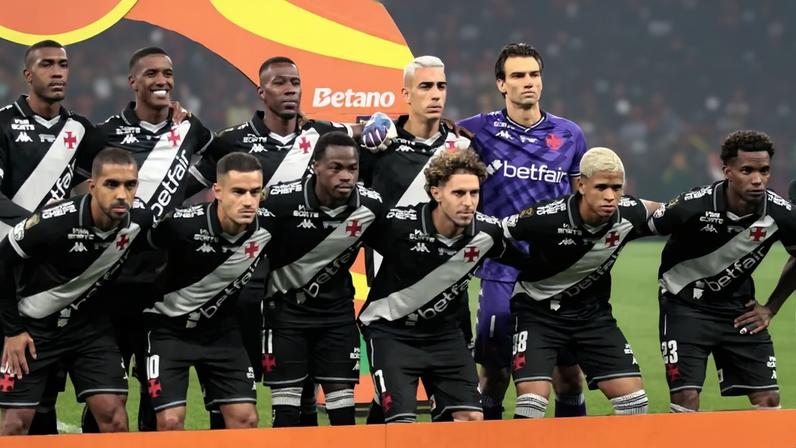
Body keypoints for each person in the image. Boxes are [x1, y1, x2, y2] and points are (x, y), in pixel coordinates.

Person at [184, 56, 391, 428]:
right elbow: (186, 188)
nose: (290, 89)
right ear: (262, 92)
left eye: (295, 82)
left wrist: (409, 125)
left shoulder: (322, 134)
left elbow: (367, 133)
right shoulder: (232, 141)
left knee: (317, 397)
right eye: (280, 83)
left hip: (318, 292)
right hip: (255, 292)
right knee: (239, 391)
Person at [84, 46, 214, 432]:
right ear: (133, 83)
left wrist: (187, 188)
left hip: (164, 281)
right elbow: (75, 184)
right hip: (111, 281)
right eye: (152, 74)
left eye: (168, 74)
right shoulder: (104, 134)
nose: (162, 81)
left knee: (156, 390)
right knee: (107, 390)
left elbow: (218, 158)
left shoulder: (191, 129)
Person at [457, 43, 589, 419]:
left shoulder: (569, 135)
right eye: (518, 76)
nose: (528, 82)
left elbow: (582, 197)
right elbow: (432, 137)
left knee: (569, 376)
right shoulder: (478, 130)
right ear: (501, 84)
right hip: (500, 270)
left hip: (555, 271)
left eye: (534, 74)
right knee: (496, 373)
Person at [358, 148, 521, 423]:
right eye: (459, 193)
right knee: (401, 424)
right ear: (436, 192)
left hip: (446, 337)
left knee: (470, 419)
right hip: (392, 332)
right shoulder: (398, 227)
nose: (469, 202)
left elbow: (530, 262)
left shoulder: (486, 233)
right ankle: (384, 404)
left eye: (474, 193)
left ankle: (382, 398)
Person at [0, 148, 151, 435]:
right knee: (16, 423)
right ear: (93, 187)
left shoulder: (139, 221)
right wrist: (12, 331)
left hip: (89, 330)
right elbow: (2, 262)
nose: (122, 194)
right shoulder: (52, 222)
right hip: (33, 331)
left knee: (115, 416)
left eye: (130, 185)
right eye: (112, 184)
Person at [0, 39, 106, 435]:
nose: (58, 71)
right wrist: (39, 226)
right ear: (28, 75)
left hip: (50, 272)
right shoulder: (4, 124)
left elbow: (115, 172)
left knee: (42, 389)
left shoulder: (80, 130)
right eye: (47, 64)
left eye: (63, 64)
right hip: (8, 263)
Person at [504, 147, 659, 418]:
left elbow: (670, 214)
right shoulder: (545, 217)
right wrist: (522, 263)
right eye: (601, 187)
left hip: (592, 316)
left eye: (617, 187)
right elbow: (495, 234)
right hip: (538, 313)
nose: (610, 196)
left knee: (635, 404)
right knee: (531, 405)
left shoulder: (630, 212)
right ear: (581, 185)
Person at [649, 130, 796, 412]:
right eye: (747, 170)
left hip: (739, 311)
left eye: (764, 171)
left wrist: (771, 307)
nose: (757, 179)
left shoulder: (781, 214)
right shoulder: (692, 205)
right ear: (727, 171)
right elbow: (644, 224)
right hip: (684, 306)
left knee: (769, 401)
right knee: (686, 399)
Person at [261, 132, 383, 427]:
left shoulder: (370, 206)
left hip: (337, 316)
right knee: (287, 414)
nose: (346, 176)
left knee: (343, 415)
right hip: (285, 315)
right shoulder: (280, 201)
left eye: (352, 169)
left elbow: (395, 250)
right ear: (315, 165)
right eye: (336, 168)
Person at [142, 152, 268, 430]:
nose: (248, 200)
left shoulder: (268, 227)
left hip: (221, 332)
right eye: (238, 191)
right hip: (168, 330)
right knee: (171, 421)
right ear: (218, 191)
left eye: (255, 192)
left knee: (246, 420)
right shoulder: (180, 225)